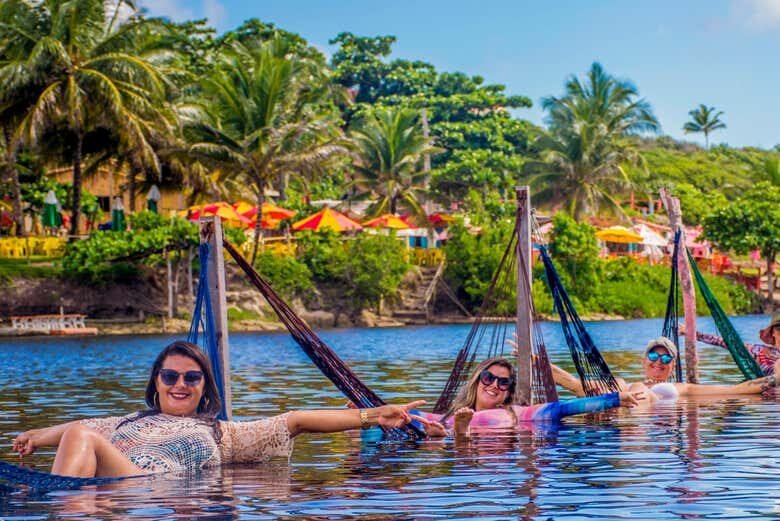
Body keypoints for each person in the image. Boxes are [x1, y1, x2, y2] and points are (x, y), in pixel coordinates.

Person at [11, 341, 429, 478]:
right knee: (80, 435)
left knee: (81, 439)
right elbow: (80, 424)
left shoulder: (223, 433)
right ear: (155, 382)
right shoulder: (124, 421)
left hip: (145, 489)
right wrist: (34, 436)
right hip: (107, 494)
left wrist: (372, 415)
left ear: (204, 387)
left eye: (191, 378)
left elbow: (296, 421)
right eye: (170, 376)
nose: (179, 385)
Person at [415, 357, 643, 439]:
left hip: (497, 458)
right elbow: (411, 416)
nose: (494, 385)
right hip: (457, 440)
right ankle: (460, 436)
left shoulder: (515, 413)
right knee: (436, 441)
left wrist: (614, 399)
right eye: (488, 377)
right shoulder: (447, 418)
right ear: (477, 380)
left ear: (508, 391)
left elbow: (563, 408)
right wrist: (381, 413)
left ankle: (462, 436)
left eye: (503, 382)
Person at [550, 336, 780, 404]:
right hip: (617, 404)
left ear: (672, 366)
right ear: (643, 361)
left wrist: (775, 379)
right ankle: (541, 364)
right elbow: (578, 384)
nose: (658, 361)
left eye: (666, 357)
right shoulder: (625, 383)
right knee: (618, 383)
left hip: (638, 420)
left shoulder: (681, 388)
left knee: (633, 388)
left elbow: (735, 390)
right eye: (653, 355)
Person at [679, 313, 780, 376]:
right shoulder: (758, 350)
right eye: (779, 328)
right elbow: (725, 342)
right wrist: (693, 333)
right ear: (772, 333)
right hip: (771, 389)